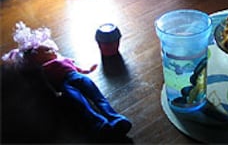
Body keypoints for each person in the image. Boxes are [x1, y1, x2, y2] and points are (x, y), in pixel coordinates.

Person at [2, 21, 132, 140]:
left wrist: (87, 70)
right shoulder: (43, 69)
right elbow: (45, 84)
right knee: (81, 103)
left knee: (98, 97)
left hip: (78, 77)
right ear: (36, 57)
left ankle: (115, 118)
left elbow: (75, 68)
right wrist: (54, 94)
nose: (52, 50)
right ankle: (99, 123)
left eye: (50, 48)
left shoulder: (61, 59)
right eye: (47, 50)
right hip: (65, 85)